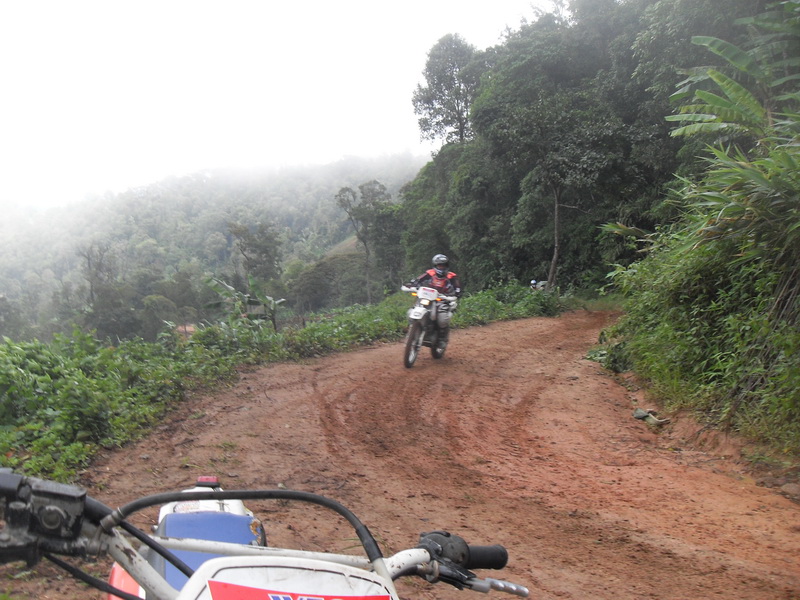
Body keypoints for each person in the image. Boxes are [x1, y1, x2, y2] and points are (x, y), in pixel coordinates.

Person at [408, 254, 462, 348]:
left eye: (443, 265)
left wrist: (457, 292)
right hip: (428, 297)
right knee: (413, 309)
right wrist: (413, 283)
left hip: (443, 299)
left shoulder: (451, 276)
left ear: (447, 266)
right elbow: (419, 279)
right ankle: (412, 327)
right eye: (439, 265)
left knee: (442, 319)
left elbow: (457, 287)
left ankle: (442, 338)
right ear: (435, 266)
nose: (441, 267)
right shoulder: (430, 273)